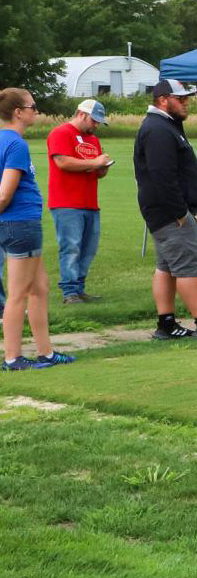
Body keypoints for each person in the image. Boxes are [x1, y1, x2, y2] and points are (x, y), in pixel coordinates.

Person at [133, 79, 197, 338]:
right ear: (162, 100)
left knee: (166, 267)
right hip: (172, 215)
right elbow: (162, 176)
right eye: (180, 98)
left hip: (165, 213)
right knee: (187, 267)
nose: (186, 102)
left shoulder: (165, 126)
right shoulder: (158, 129)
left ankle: (166, 324)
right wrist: (181, 213)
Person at [0, 89, 75, 370]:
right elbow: (5, 193)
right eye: (33, 106)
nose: (36, 111)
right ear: (18, 112)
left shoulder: (6, 141)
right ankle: (13, 358)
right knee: (18, 293)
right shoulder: (15, 144)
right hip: (20, 225)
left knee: (39, 288)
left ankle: (46, 352)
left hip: (18, 224)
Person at [46, 98, 112, 304]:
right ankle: (70, 293)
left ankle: (79, 288)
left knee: (88, 249)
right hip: (66, 202)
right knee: (71, 247)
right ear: (81, 114)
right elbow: (63, 162)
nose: (96, 125)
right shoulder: (61, 133)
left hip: (90, 202)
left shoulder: (93, 140)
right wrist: (94, 162)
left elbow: (95, 172)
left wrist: (102, 168)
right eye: (94, 120)